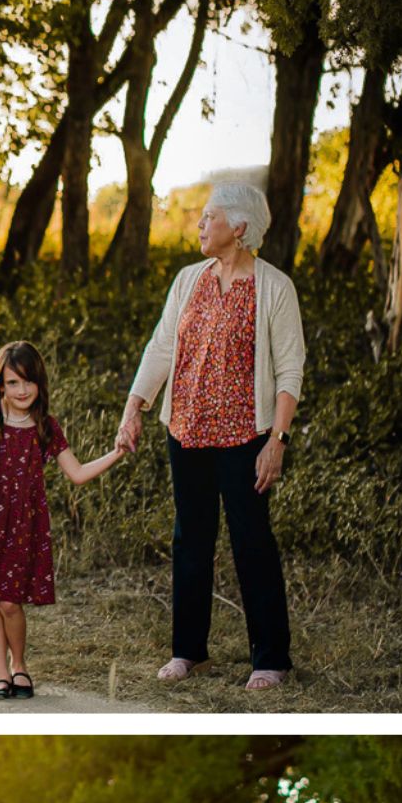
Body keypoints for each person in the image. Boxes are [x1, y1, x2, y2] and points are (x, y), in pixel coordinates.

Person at [114, 181, 306, 691]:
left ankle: (271, 659)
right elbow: (160, 348)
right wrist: (134, 408)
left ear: (239, 228)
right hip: (188, 431)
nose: (199, 226)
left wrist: (278, 441)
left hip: (247, 437)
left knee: (252, 543)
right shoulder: (188, 281)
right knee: (190, 542)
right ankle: (189, 652)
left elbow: (290, 371)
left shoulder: (275, 288)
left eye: (209, 217)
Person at [0, 341, 124, 701]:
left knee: (11, 602)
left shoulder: (44, 426)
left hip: (24, 525)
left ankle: (20, 664)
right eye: (12, 383)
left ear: (39, 383)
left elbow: (78, 473)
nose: (22, 391)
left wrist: (116, 452)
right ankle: (0, 672)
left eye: (28, 382)